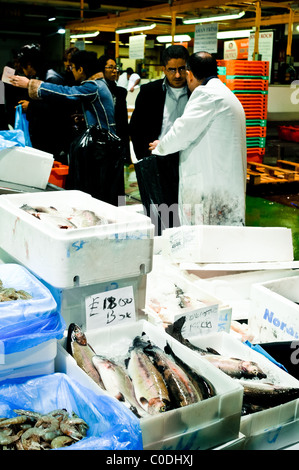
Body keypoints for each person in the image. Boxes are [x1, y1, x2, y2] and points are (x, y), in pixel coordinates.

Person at [10, 50, 122, 206]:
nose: (71, 71)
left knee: (98, 195)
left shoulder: (93, 86)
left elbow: (67, 93)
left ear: (81, 69)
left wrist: (30, 84)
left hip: (101, 151)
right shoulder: (100, 85)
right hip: (103, 149)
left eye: (73, 67)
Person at [149, 51, 247, 227]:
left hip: (210, 188)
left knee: (203, 241)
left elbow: (182, 131)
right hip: (224, 184)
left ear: (190, 74)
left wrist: (160, 146)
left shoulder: (205, 95)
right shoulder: (225, 94)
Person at [130, 45, 190, 231]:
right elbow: (136, 127)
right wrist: (146, 158)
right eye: (172, 70)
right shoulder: (149, 92)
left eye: (181, 69)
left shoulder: (196, 91)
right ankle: (162, 246)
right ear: (164, 69)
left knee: (185, 212)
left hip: (187, 160)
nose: (178, 75)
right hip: (158, 159)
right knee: (160, 213)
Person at [15, 43, 68, 160]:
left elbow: (57, 110)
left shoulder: (52, 78)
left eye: (23, 66)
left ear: (29, 65)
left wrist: (30, 106)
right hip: (41, 135)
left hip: (51, 139)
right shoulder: (40, 76)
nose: (22, 70)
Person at [98, 54, 130, 164]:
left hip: (118, 139)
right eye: (110, 67)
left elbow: (123, 122)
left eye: (115, 67)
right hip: (101, 141)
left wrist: (127, 152)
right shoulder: (96, 90)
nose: (114, 71)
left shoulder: (120, 93)